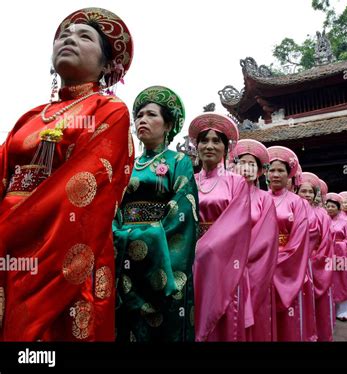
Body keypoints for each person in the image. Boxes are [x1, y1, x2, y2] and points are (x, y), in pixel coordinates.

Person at [0, 7, 134, 341]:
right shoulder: (30, 116)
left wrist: (10, 230)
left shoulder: (109, 110)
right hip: (7, 241)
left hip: (64, 243)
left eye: (84, 36)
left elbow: (84, 186)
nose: (69, 39)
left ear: (106, 66)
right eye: (64, 35)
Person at [113, 86, 198, 342]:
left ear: (168, 124)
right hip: (124, 251)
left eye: (151, 115)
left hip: (163, 256)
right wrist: (118, 234)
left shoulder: (178, 161)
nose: (142, 120)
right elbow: (114, 206)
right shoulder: (126, 164)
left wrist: (148, 238)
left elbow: (184, 210)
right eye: (138, 116)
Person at [189, 113, 252, 341]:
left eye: (217, 141)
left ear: (226, 148)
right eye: (204, 141)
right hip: (190, 258)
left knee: (224, 317)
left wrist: (205, 248)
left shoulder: (236, 182)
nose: (209, 146)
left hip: (226, 261)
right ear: (196, 147)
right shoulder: (188, 180)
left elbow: (237, 224)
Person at [231, 139, 279, 341]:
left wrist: (242, 258)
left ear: (260, 172)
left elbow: (267, 238)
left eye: (252, 164)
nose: (247, 168)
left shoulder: (265, 198)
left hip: (254, 266)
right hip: (226, 265)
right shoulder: (228, 194)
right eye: (242, 162)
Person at [267, 146, 316, 341]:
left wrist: (277, 263)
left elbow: (299, 241)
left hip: (288, 266)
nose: (276, 174)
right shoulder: (260, 199)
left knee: (289, 317)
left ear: (289, 175)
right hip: (262, 265)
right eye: (272, 170)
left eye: (281, 170)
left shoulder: (299, 203)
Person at [297, 172, 334, 341]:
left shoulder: (321, 214)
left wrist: (315, 262)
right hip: (294, 263)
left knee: (317, 304)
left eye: (310, 192)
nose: (306, 195)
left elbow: (326, 242)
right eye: (303, 191)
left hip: (314, 263)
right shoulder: (293, 209)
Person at [325, 193, 347, 322]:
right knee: (328, 280)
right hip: (325, 255)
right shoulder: (323, 220)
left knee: (341, 281)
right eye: (328, 206)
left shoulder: (344, 223)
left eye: (333, 206)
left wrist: (338, 245)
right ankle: (329, 308)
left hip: (340, 256)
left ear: (338, 208)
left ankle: (343, 311)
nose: (330, 208)